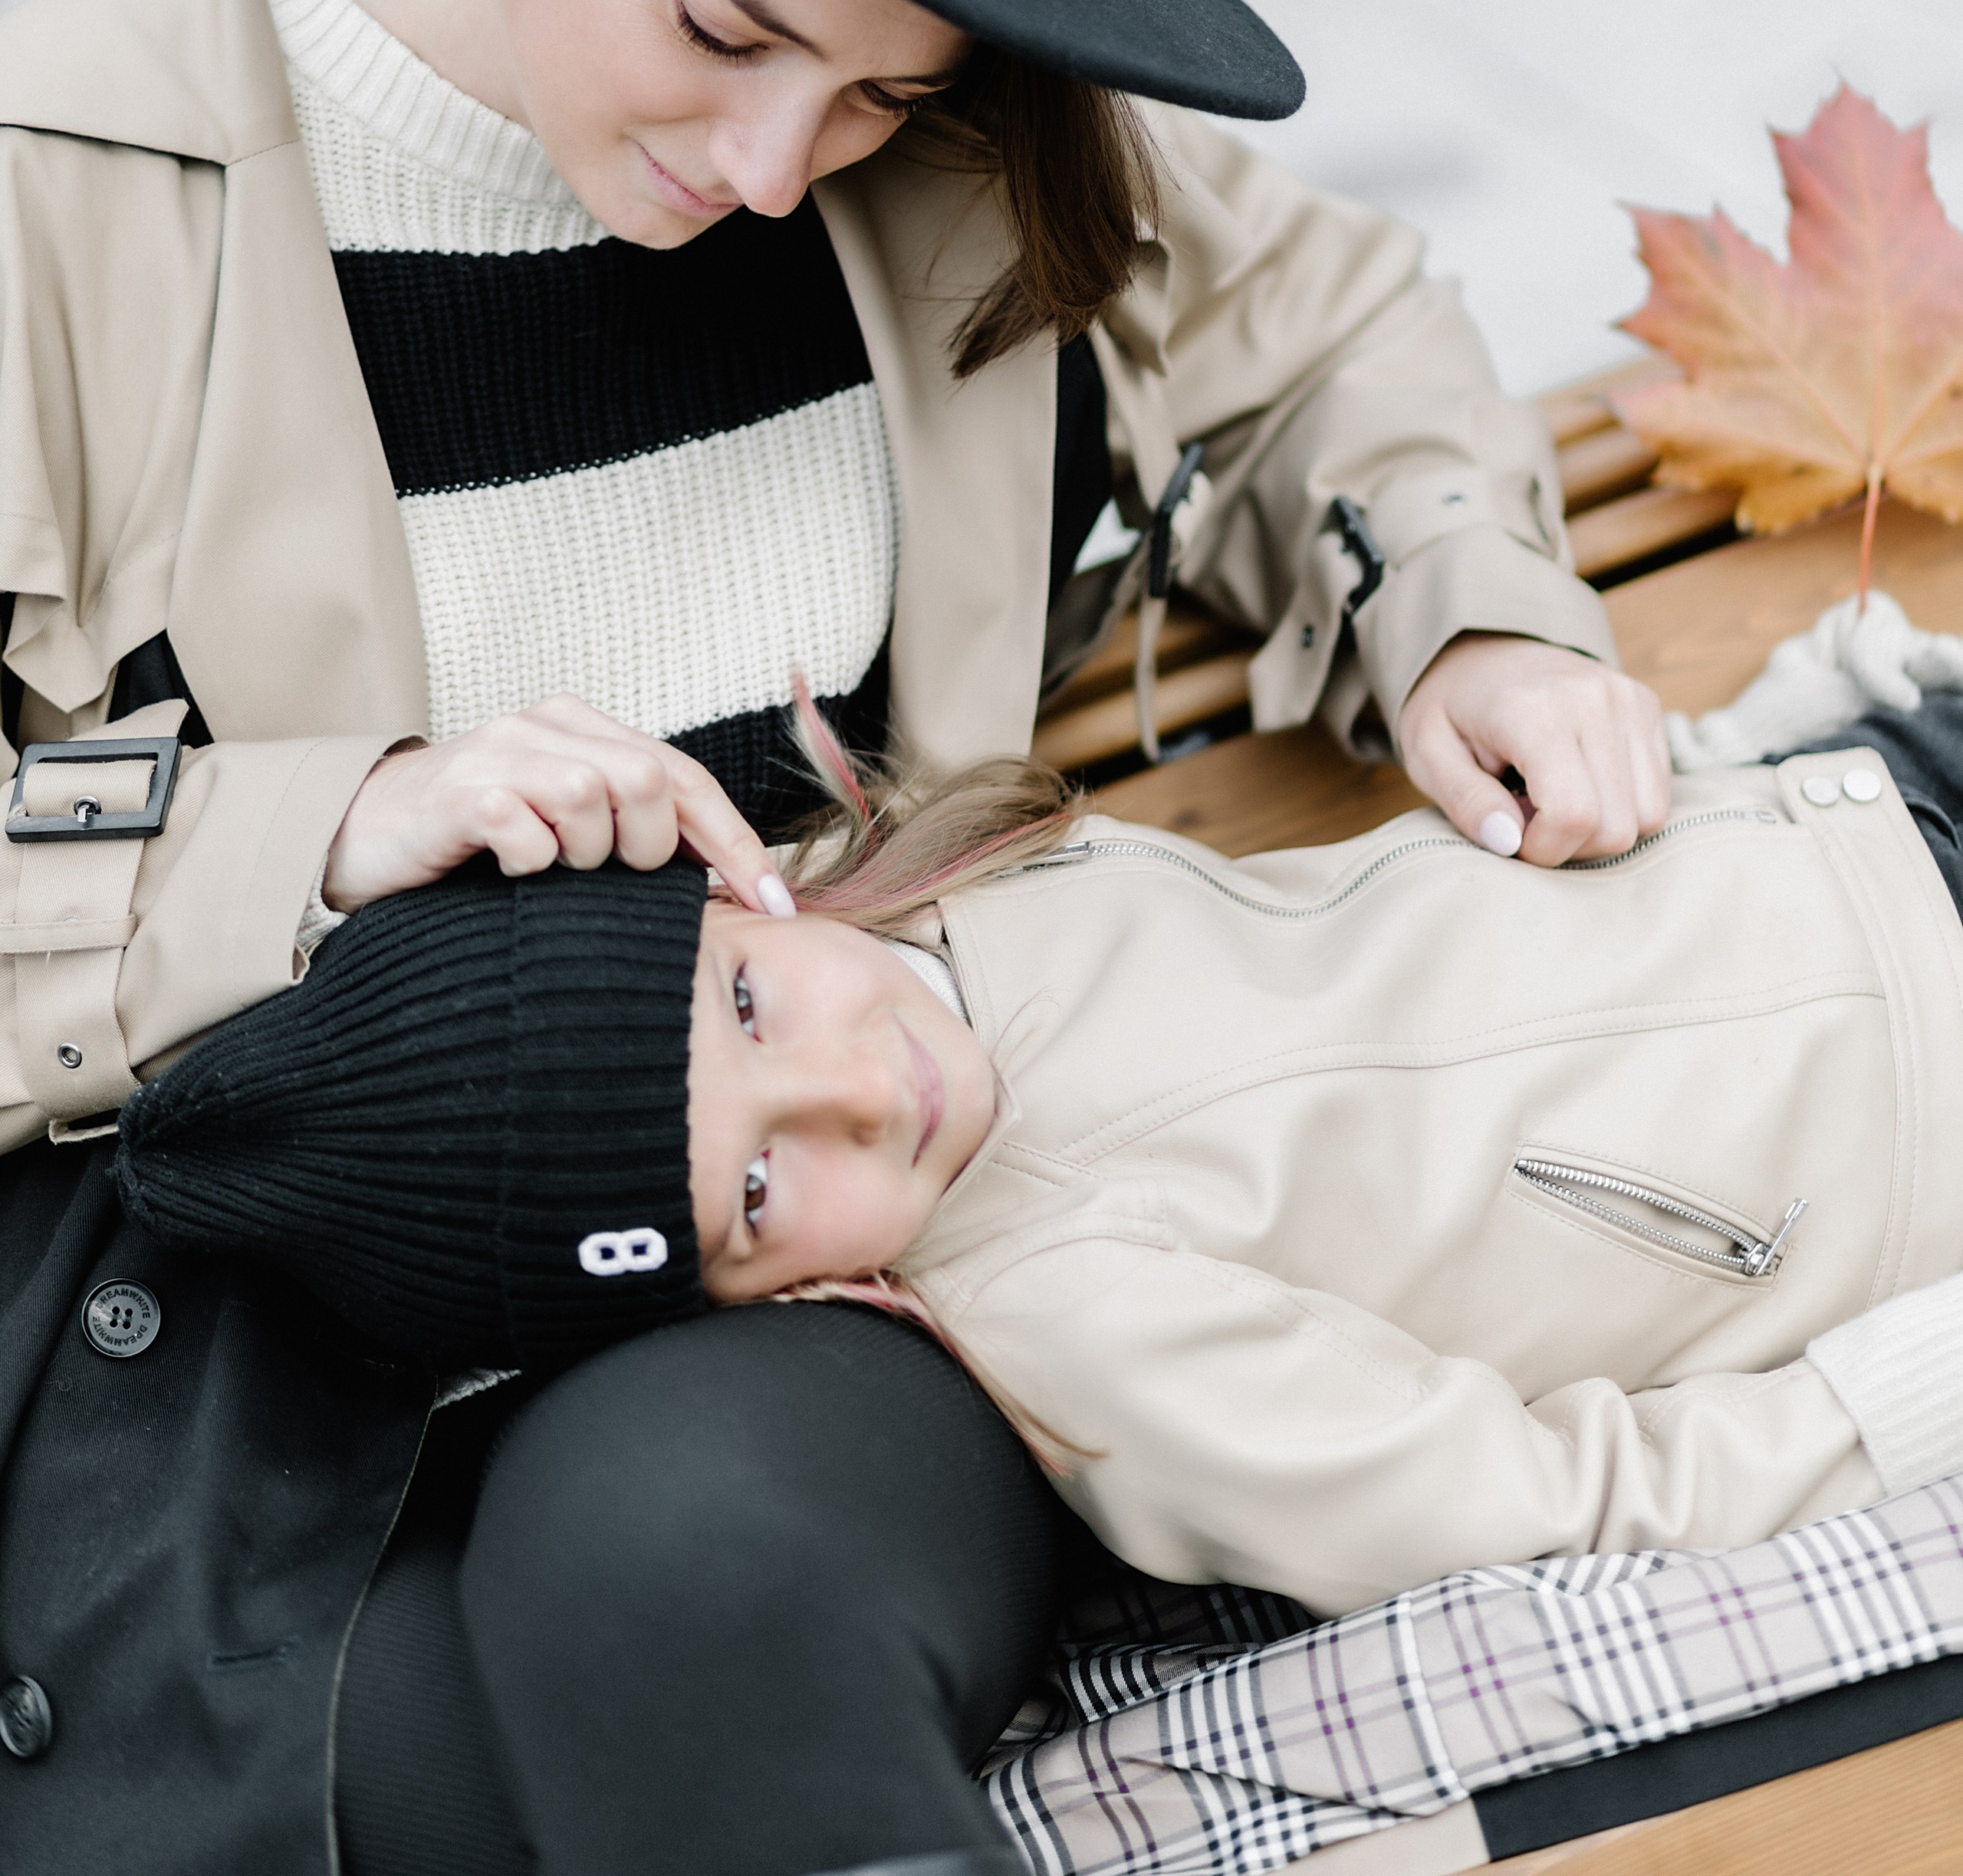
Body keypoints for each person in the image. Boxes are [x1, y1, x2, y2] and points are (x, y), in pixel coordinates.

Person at [0, 0, 1661, 1874]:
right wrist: (324, 831)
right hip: (283, 1316)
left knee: (680, 1578)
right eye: (728, 34)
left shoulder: (962, 147)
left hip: (856, 1216)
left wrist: (1468, 620)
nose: (774, 167)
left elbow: (1326, 334)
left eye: (879, 94)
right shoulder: (70, 201)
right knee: (354, 1780)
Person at [123, 685, 1963, 1635]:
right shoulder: (1084, 1331)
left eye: (749, 1006)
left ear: (732, 896)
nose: (853, 1091)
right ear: (757, 1307)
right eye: (756, 1191)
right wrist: (1891, 1394)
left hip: (1865, 806)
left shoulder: (949, 896)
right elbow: (1536, 1508)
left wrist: (1737, 773)